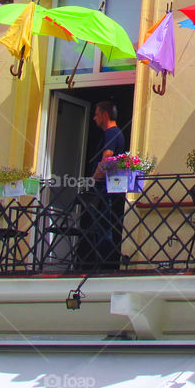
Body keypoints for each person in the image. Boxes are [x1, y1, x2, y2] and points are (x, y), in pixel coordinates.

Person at [77, 101, 127, 271]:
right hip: (109, 189)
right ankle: (105, 265)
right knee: (104, 227)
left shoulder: (111, 133)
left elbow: (107, 159)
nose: (94, 118)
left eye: (97, 114)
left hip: (104, 190)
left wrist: (93, 179)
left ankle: (104, 267)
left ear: (105, 115)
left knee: (103, 228)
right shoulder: (116, 133)